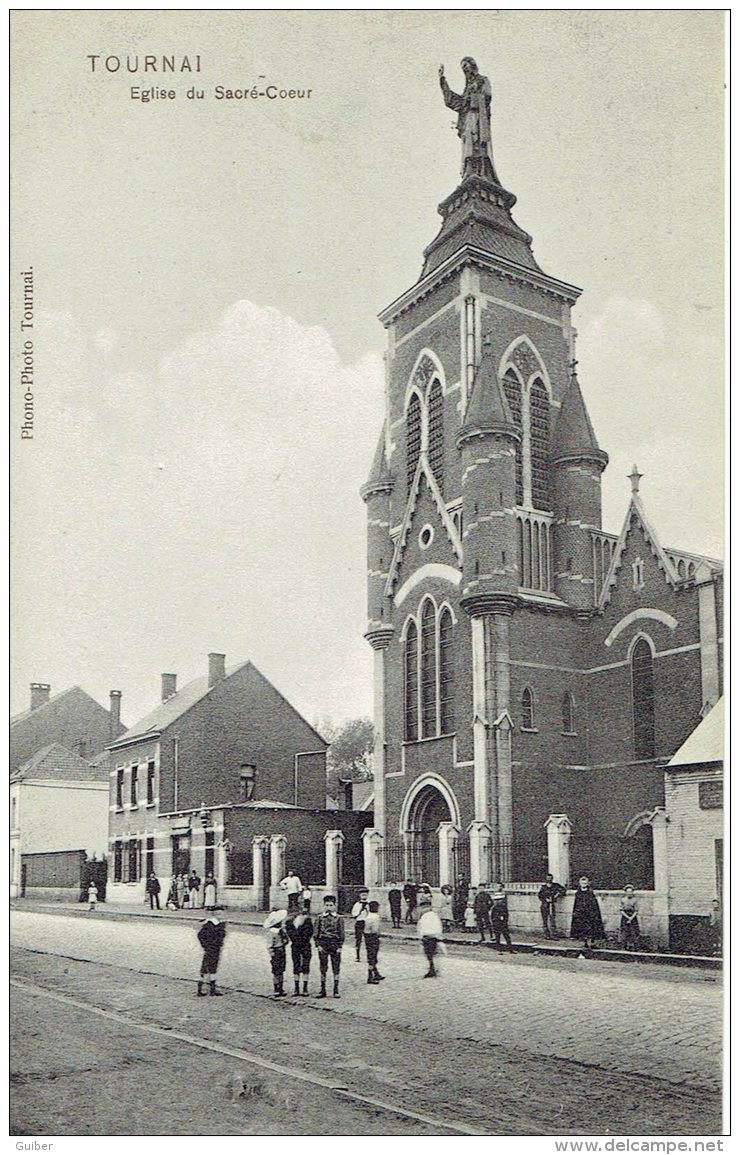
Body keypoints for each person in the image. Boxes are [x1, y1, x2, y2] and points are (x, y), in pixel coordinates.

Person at [439, 57, 497, 178]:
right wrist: (443, 81)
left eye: (466, 65)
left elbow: (487, 96)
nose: (465, 69)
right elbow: (454, 101)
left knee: (477, 143)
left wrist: (472, 99)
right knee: (468, 145)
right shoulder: (466, 90)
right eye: (462, 67)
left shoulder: (482, 80)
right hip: (467, 119)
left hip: (478, 117)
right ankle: (470, 170)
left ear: (472, 66)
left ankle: (480, 170)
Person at [314, 893, 344, 998]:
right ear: (324, 905)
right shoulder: (319, 918)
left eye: (331, 905)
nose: (329, 907)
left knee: (336, 967)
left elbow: (341, 933)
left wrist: (340, 947)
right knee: (323, 967)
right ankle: (322, 989)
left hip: (335, 944)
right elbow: (316, 933)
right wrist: (318, 945)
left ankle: (336, 990)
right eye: (327, 905)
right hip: (323, 944)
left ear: (334, 906)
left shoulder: (339, 918)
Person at [286, 899, 314, 997]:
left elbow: (309, 933)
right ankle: (296, 988)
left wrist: (302, 939)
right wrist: (296, 939)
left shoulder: (307, 920)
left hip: (305, 945)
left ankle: (305, 988)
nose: (297, 911)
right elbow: (290, 934)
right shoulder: (289, 922)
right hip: (295, 945)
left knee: (306, 965)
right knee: (296, 965)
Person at [570, 876, 606, 950]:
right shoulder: (578, 893)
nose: (584, 884)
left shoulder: (590, 892)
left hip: (590, 913)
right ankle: (585, 943)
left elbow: (594, 903)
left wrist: (594, 912)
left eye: (585, 883)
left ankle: (592, 943)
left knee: (592, 928)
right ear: (580, 884)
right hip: (582, 914)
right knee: (583, 928)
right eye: (582, 883)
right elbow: (576, 904)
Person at [197, 915, 226, 996]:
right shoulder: (209, 925)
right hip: (211, 949)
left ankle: (210, 989)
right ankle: (202, 989)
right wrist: (205, 945)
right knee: (207, 968)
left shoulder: (220, 925)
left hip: (215, 949)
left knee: (212, 967)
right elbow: (200, 935)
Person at [264, 910, 289, 998]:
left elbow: (286, 941)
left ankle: (281, 988)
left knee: (281, 970)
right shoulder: (272, 933)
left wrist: (285, 940)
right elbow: (269, 945)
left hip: (281, 951)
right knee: (276, 971)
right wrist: (272, 953)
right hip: (276, 952)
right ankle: (276, 989)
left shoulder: (281, 931)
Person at [538, 874, 566, 939]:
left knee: (552, 920)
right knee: (545, 920)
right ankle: (546, 935)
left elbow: (563, 890)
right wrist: (545, 899)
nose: (549, 879)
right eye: (547, 878)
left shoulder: (555, 886)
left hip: (551, 905)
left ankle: (553, 934)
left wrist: (557, 895)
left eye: (550, 878)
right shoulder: (543, 887)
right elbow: (540, 895)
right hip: (544, 905)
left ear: (552, 878)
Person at [418, 908, 443, 978]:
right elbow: (439, 927)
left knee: (429, 955)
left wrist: (420, 937)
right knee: (433, 954)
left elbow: (421, 927)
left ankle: (432, 969)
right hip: (434, 937)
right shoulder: (435, 916)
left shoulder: (424, 917)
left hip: (427, 937)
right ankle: (434, 969)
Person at [363, 900, 385, 985]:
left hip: (367, 937)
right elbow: (375, 930)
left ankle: (376, 973)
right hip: (373, 937)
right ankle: (370, 976)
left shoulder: (368, 916)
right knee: (372, 957)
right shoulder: (375, 917)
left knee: (371, 956)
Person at [489, 881, 512, 951]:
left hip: (502, 916)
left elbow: (505, 909)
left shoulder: (504, 895)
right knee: (497, 934)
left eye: (499, 886)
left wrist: (505, 918)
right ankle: (498, 948)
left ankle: (509, 947)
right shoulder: (495, 895)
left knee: (506, 933)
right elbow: (492, 908)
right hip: (496, 917)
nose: (498, 901)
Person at [351, 888, 370, 962]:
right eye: (362, 895)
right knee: (358, 940)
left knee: (368, 940)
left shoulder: (369, 904)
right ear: (360, 895)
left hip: (367, 923)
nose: (364, 896)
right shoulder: (357, 904)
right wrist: (360, 910)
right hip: (359, 922)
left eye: (365, 895)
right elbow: (354, 914)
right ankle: (357, 956)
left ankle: (369, 956)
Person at [619, 886, 641, 951]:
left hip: (633, 917)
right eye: (628, 892)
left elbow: (636, 910)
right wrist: (627, 917)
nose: (629, 893)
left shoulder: (635, 900)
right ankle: (624, 946)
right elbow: (621, 910)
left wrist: (631, 918)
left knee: (633, 932)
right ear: (625, 892)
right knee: (624, 931)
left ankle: (634, 947)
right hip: (625, 917)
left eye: (631, 892)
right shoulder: (623, 900)